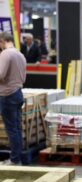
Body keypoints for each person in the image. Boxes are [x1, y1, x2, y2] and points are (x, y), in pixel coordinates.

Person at [0, 32, 27, 165]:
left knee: (11, 129)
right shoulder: (20, 54)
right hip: (18, 93)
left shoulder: (5, 54)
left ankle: (15, 160)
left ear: (2, 41)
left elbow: (0, 75)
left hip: (7, 94)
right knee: (16, 128)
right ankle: (17, 158)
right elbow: (23, 77)